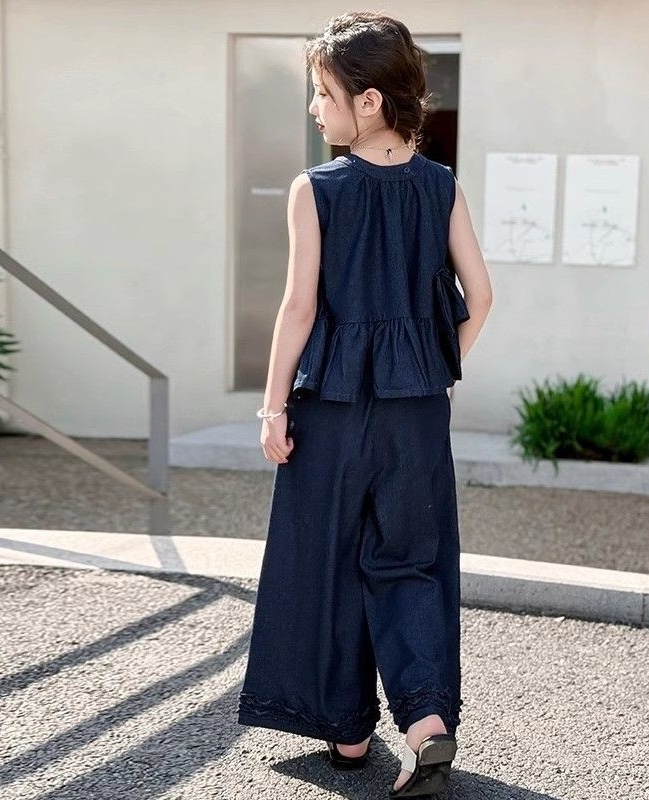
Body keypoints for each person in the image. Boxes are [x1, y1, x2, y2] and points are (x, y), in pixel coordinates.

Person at [237, 10, 493, 797]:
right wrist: (431, 366)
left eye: (324, 93)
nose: (315, 108)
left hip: (333, 408)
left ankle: (348, 736)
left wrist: (273, 408)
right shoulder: (442, 185)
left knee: (325, 561)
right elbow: (481, 297)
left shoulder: (315, 190)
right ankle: (425, 724)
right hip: (418, 412)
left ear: (370, 101)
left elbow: (298, 309)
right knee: (409, 562)